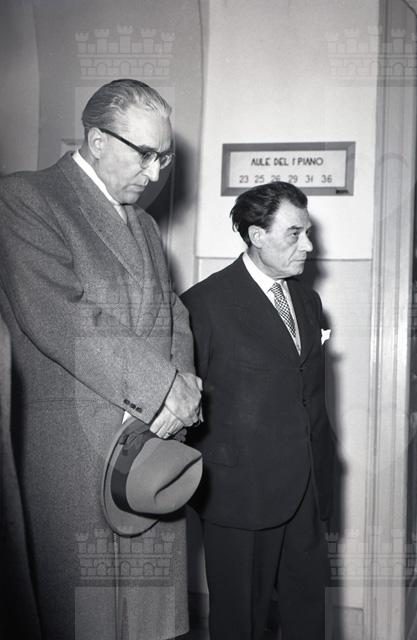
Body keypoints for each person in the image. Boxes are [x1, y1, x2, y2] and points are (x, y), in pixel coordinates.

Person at [0, 79, 201, 640]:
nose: (155, 173)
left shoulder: (144, 224)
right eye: (145, 155)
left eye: (164, 157)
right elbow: (60, 316)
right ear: (97, 140)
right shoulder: (25, 198)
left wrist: (184, 386)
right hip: (76, 449)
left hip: (150, 443)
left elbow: (174, 312)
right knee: (84, 617)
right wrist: (163, 387)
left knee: (147, 619)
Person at [182, 181, 336, 640]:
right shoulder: (203, 304)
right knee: (240, 622)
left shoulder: (307, 300)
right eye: (294, 234)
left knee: (307, 615)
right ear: (256, 235)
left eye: (307, 232)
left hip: (306, 487)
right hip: (239, 495)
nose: (308, 246)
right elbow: (186, 404)